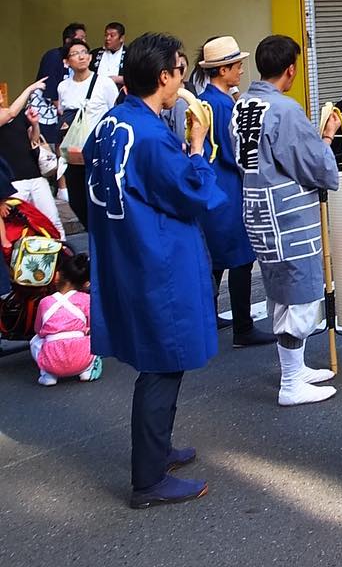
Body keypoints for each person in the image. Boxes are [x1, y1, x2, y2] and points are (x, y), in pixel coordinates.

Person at [84, 32, 223, 508]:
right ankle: (148, 479)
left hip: (126, 253)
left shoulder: (110, 123)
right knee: (164, 362)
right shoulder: (149, 136)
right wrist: (197, 148)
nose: (183, 79)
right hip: (158, 259)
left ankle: (158, 449)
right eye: (180, 70)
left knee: (160, 357)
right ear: (164, 76)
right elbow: (194, 193)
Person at [233, 35, 341, 406]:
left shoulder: (242, 105)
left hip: (257, 207)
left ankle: (294, 369)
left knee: (282, 291)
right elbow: (312, 164)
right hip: (288, 213)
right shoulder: (284, 109)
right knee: (300, 293)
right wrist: (326, 139)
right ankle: (291, 382)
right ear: (291, 70)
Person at [195, 36, 275, 349]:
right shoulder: (224, 105)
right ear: (223, 69)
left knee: (216, 259)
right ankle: (244, 326)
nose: (241, 71)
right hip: (229, 187)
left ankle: (208, 317)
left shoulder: (204, 100)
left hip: (211, 187)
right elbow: (236, 152)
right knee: (241, 258)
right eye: (237, 66)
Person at [57, 38, 120, 228]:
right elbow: (63, 115)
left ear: (90, 57)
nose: (81, 56)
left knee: (99, 200)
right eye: (75, 54)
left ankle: (100, 238)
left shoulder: (104, 83)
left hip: (98, 152)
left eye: (84, 52)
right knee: (77, 200)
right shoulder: (63, 87)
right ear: (67, 62)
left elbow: (115, 112)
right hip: (73, 152)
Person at [0, 78, 64, 237]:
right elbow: (10, 113)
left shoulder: (19, 115)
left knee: (53, 220)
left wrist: (35, 124)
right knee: (18, 226)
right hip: (13, 183)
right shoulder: (11, 113)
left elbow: (34, 140)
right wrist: (30, 89)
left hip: (35, 176)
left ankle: (64, 251)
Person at [30, 250, 102, 386]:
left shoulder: (45, 302)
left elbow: (38, 330)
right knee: (93, 337)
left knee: (35, 341)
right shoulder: (86, 299)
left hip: (52, 361)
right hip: (82, 359)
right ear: (86, 283)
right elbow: (92, 325)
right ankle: (86, 370)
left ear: (57, 275)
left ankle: (48, 375)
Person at [36, 22, 86, 147]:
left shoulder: (76, 62)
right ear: (68, 40)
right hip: (49, 114)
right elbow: (51, 89)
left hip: (68, 114)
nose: (84, 41)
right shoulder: (53, 56)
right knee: (52, 149)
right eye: (81, 38)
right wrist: (66, 114)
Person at [93, 22, 127, 89]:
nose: (107, 38)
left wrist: (119, 79)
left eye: (112, 35)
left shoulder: (130, 55)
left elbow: (137, 79)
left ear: (121, 38)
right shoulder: (95, 54)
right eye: (106, 35)